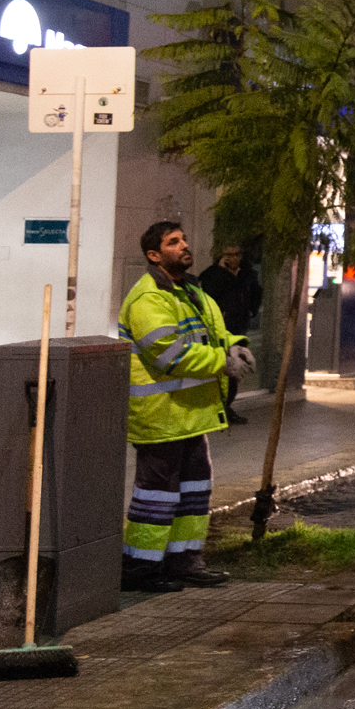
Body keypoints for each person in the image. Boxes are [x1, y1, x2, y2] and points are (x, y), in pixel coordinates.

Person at [119, 220, 256, 592]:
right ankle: (140, 568)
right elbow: (170, 355)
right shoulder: (149, 298)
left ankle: (184, 561)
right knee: (157, 494)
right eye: (173, 242)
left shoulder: (190, 291)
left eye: (184, 239)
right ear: (154, 254)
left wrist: (234, 344)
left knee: (194, 493)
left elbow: (215, 331)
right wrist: (221, 362)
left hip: (191, 415)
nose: (184, 245)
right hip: (163, 415)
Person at [198, 243, 262, 425]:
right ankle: (220, 406)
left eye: (236, 254)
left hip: (239, 327)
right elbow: (208, 297)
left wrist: (252, 310)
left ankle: (226, 405)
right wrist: (222, 271)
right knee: (224, 367)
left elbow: (257, 293)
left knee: (236, 369)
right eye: (228, 255)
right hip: (221, 329)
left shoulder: (247, 274)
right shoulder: (213, 275)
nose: (233, 258)